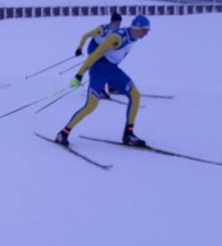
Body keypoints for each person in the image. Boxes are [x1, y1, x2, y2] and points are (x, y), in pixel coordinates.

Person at [55, 15, 151, 147]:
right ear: (136, 28)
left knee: (135, 96)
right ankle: (63, 133)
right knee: (91, 106)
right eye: (144, 31)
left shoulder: (134, 36)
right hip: (99, 71)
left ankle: (128, 135)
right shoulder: (116, 38)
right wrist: (79, 76)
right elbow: (94, 55)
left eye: (148, 31)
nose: (146, 34)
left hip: (113, 70)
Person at [74, 12, 123, 98]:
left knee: (110, 65)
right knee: (100, 67)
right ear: (113, 21)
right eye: (118, 23)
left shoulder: (116, 31)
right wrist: (79, 48)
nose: (119, 25)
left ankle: (111, 87)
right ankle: (100, 90)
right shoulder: (101, 29)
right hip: (93, 48)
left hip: (104, 49)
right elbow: (86, 35)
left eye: (120, 23)